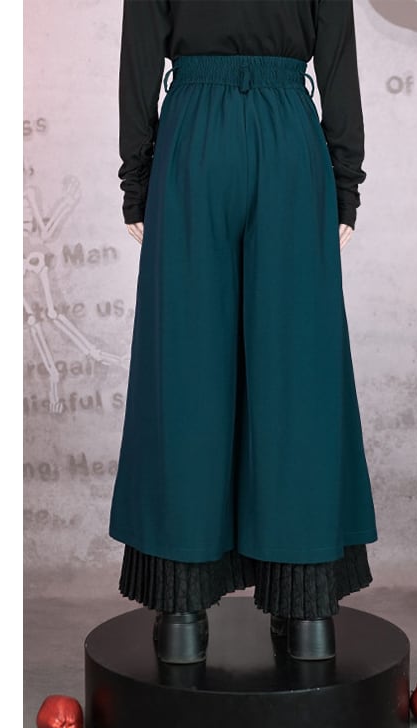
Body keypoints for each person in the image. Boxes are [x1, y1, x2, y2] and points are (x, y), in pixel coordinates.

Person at [108, 0, 378, 664]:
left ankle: (181, 612)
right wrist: (344, 184)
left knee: (186, 367)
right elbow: (337, 61)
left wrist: (138, 179)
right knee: (298, 371)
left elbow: (140, 58)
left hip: (193, 137)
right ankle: (307, 610)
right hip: (289, 135)